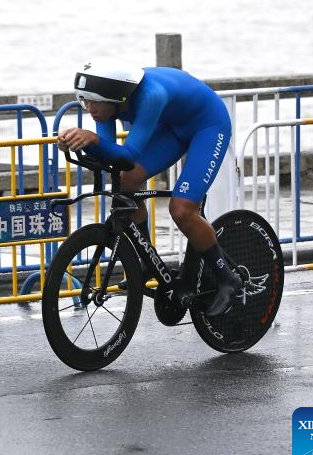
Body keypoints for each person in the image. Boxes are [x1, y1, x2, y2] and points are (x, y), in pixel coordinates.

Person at [57, 60, 241, 317]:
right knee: (127, 181)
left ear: (115, 97)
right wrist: (82, 143)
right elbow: (112, 156)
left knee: (182, 210)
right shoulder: (108, 105)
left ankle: (227, 278)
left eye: (95, 102)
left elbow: (128, 155)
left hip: (208, 125)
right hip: (173, 126)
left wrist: (93, 140)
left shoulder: (151, 96)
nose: (90, 109)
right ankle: (146, 262)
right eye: (85, 101)